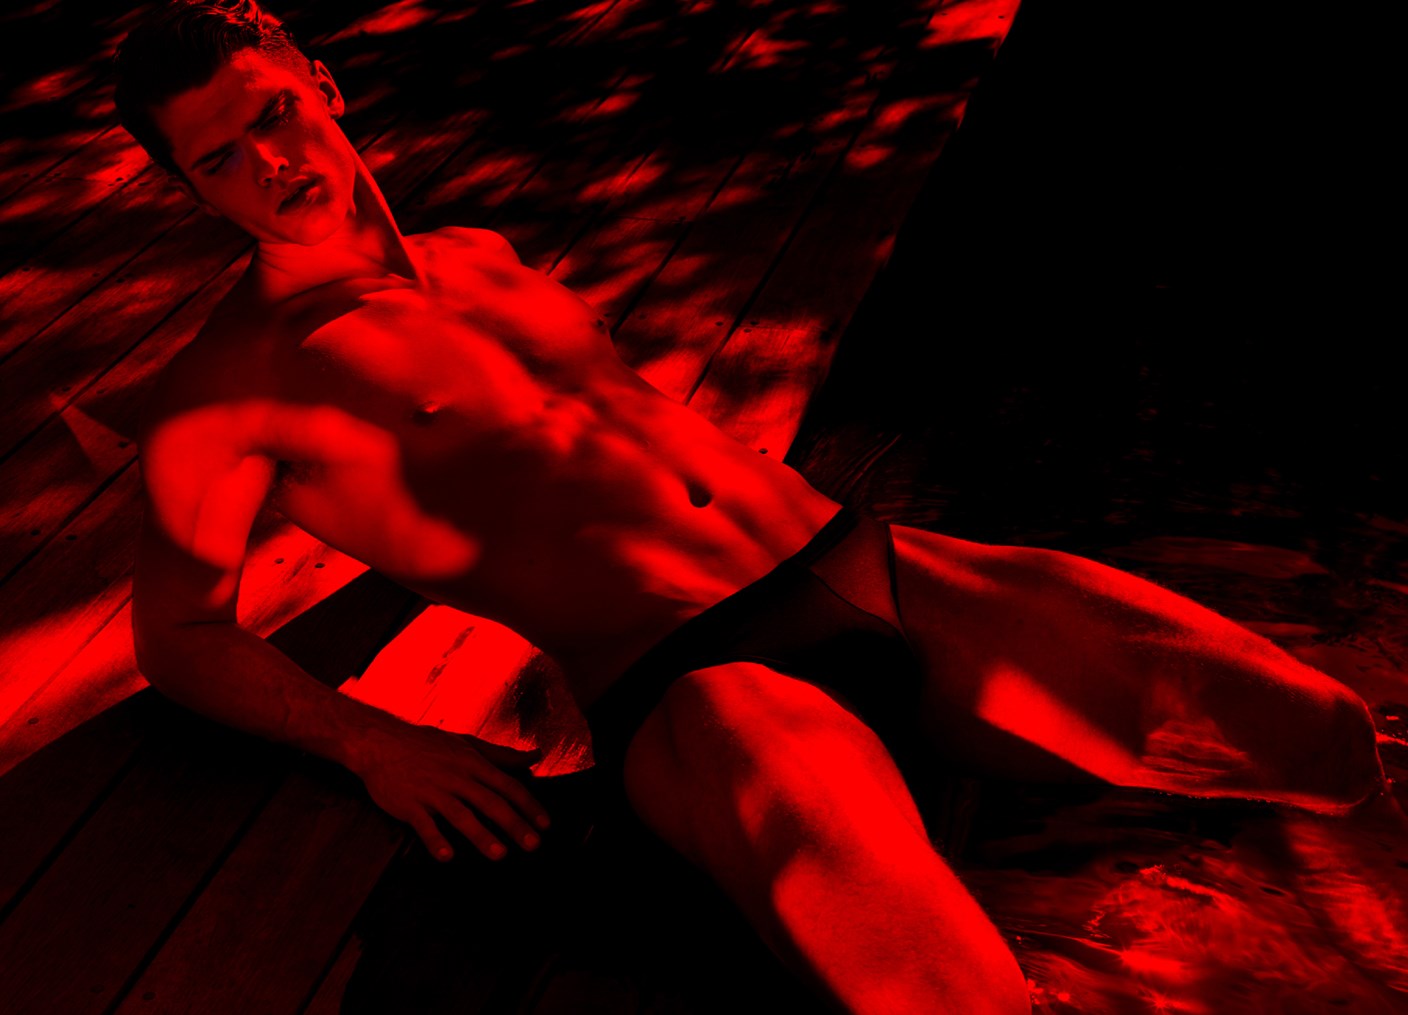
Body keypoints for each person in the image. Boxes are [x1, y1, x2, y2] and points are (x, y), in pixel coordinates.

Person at [116, 3, 1394, 1012]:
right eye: (219, 159)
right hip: (698, 686)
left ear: (324, 85)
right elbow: (178, 635)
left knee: (1328, 739)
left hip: (867, 565)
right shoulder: (230, 389)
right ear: (191, 189)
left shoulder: (477, 256)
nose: (268, 163)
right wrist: (374, 744)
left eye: (274, 114)